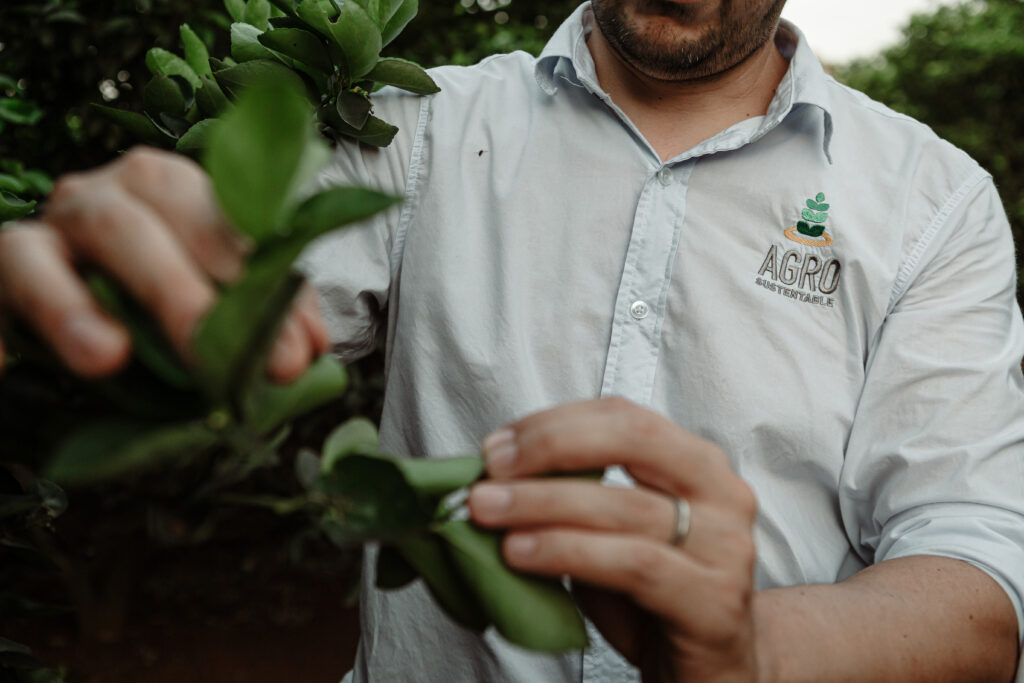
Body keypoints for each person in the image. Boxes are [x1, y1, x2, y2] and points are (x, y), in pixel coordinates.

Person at [1, 0, 1022, 680]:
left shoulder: (929, 200)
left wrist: (749, 647)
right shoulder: (424, 125)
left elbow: (978, 579)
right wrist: (116, 281)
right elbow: (220, 322)